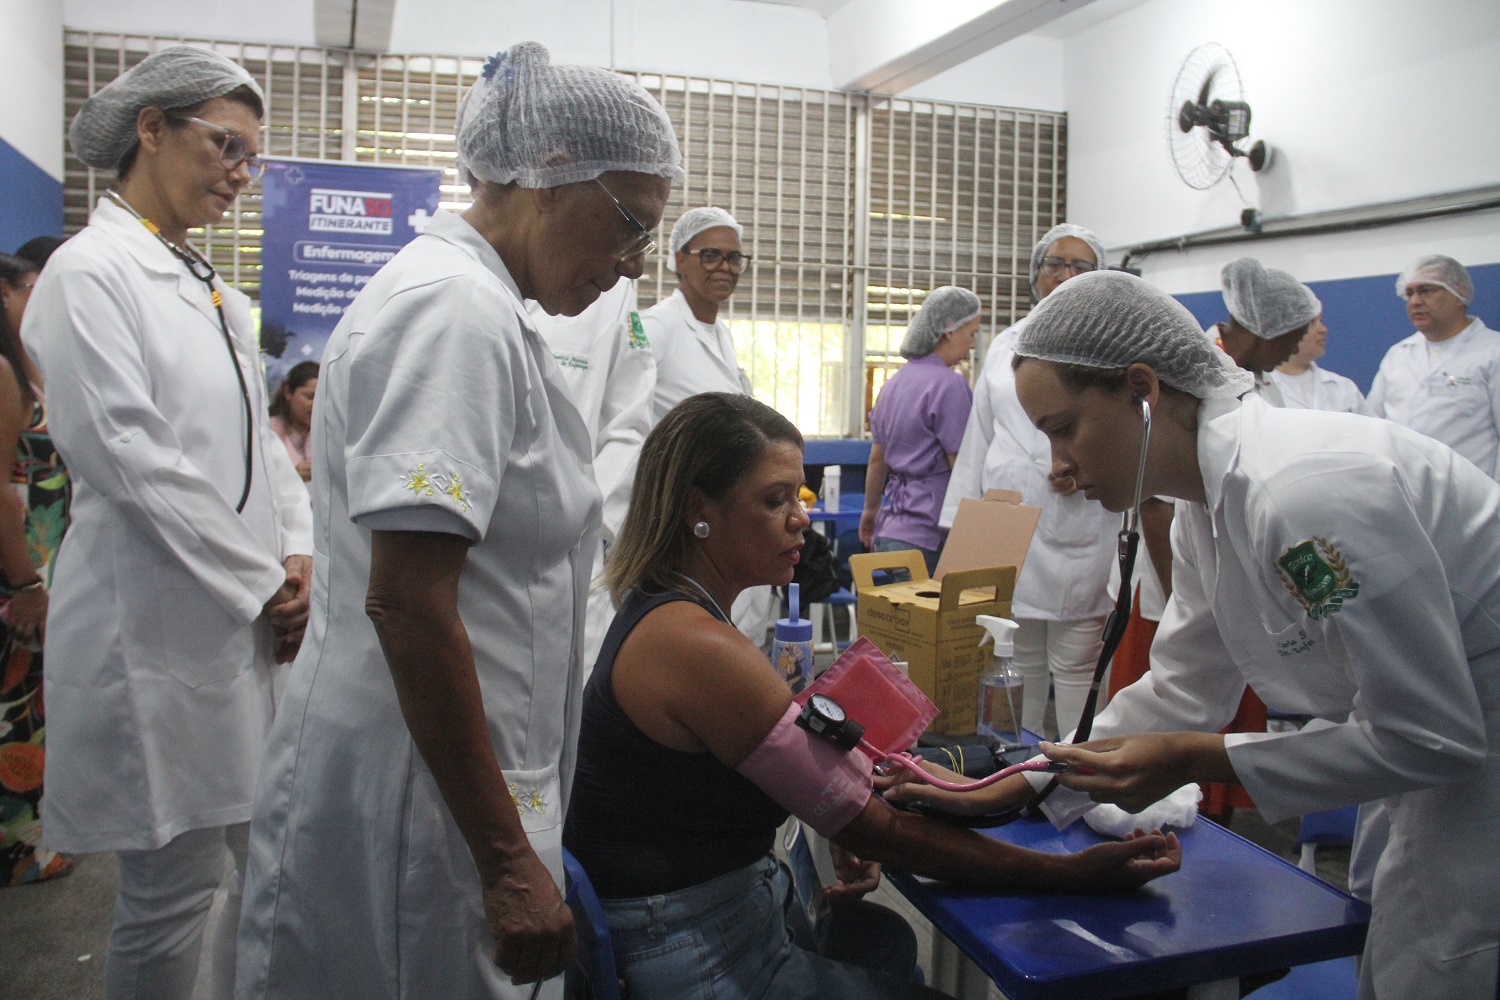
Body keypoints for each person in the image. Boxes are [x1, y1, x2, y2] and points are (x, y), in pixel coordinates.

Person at [896, 270, 1500, 1000]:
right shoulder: (1207, 507)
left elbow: (1435, 734)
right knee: (1396, 944)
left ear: (1142, 391)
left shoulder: (1301, 490)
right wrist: (1018, 784)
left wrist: (1197, 757)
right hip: (1429, 759)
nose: (1058, 466)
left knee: (1442, 963)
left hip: (1475, 762)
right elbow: (1184, 687)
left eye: (1062, 429)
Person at [236, 41, 681, 1000]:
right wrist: (508, 859)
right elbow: (407, 603)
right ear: (551, 175)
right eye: (630, 226)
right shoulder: (454, 314)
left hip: (452, 778)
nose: (631, 265)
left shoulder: (487, 307)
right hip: (423, 798)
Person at [562, 391, 1181, 1000]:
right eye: (774, 500)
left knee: (888, 939)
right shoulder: (692, 645)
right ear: (699, 509)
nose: (800, 518)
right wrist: (1068, 874)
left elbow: (805, 777)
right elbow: (877, 829)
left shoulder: (675, 613)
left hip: (731, 902)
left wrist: (841, 805)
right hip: (695, 948)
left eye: (798, 496)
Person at [21, 46, 314, 1000]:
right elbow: (129, 454)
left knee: (263, 865)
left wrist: (299, 548)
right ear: (151, 128)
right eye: (225, 146)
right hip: (152, 629)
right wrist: (261, 581)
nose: (240, 174)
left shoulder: (207, 286)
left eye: (251, 159)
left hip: (240, 621)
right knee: (170, 893)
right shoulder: (90, 272)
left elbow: (260, 442)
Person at [940, 223, 1116, 739]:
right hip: (1008, 523)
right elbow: (979, 434)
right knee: (1015, 657)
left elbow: (1121, 427)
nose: (1065, 275)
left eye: (1080, 266)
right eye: (1055, 263)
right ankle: (1025, 765)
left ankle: (1082, 768)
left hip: (1080, 520)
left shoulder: (1109, 345)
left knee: (1078, 662)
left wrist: (1085, 462)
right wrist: (961, 520)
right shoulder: (1006, 344)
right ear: (1036, 273)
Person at [641, 207, 773, 646]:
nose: (725, 267)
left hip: (724, 516)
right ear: (680, 259)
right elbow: (626, 421)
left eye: (734, 258)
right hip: (680, 521)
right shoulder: (656, 328)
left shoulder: (720, 334)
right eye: (711, 255)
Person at [527, 279, 655, 673]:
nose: (634, 265)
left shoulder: (611, 293)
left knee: (572, 684)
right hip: (476, 550)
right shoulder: (459, 281)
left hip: (573, 549)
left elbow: (630, 426)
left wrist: (590, 517)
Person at [0, 254, 73, 888]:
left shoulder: (27, 369)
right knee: (16, 707)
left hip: (40, 561)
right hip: (20, 566)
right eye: (32, 288)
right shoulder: (3, 373)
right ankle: (17, 849)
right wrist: (25, 583)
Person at [860, 285, 978, 576]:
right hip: (929, 536)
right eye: (972, 333)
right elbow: (961, 466)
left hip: (889, 531)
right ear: (949, 330)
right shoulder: (950, 386)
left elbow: (877, 458)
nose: (973, 344)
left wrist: (870, 511)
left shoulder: (893, 384)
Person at [1368, 254, 1500, 480]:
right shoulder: (1398, 355)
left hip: (1472, 493)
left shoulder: (1492, 351)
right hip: (1405, 492)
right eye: (1409, 293)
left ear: (1460, 293)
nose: (1415, 301)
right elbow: (1373, 424)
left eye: (1426, 290)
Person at [1210, 257, 1322, 406]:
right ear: (1267, 327)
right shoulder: (1197, 372)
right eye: (1294, 340)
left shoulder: (1268, 385)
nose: (1294, 351)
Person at [1269, 314, 1367, 413]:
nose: (1323, 329)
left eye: (1321, 321)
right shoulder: (1262, 389)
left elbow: (1369, 422)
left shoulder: (1344, 388)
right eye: (1312, 322)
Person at [267, 360, 318, 482]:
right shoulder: (267, 431)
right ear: (288, 392)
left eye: (321, 398)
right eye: (309, 397)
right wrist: (291, 476)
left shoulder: (329, 433)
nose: (316, 404)